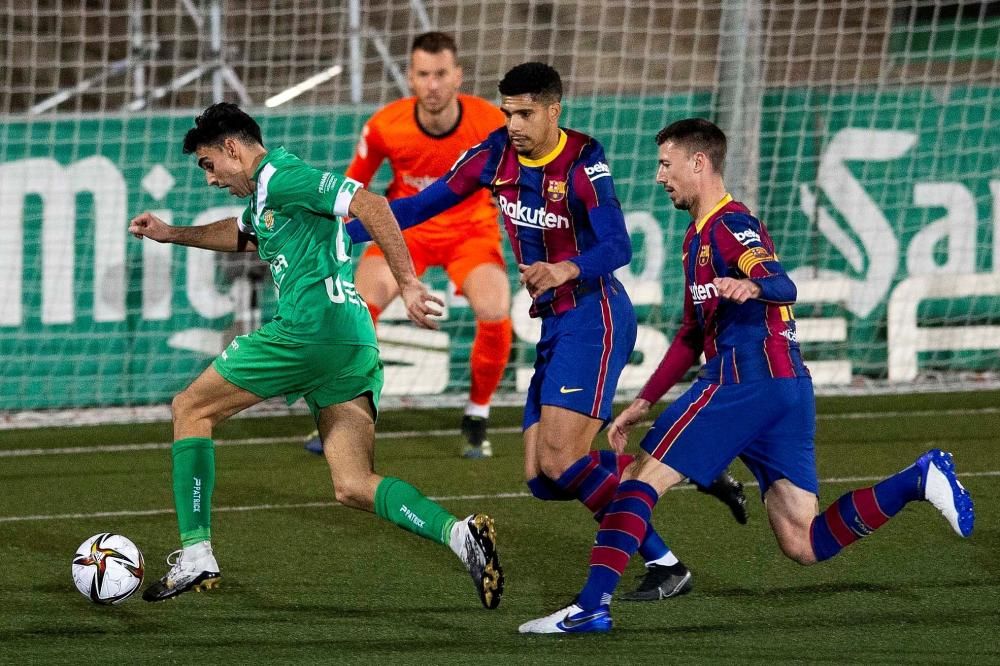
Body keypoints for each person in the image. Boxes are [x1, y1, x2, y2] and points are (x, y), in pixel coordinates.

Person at [517, 118, 976, 634]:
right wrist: (645, 401)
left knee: (636, 481)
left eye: (665, 164)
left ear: (699, 163)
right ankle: (917, 479)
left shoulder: (731, 225)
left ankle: (591, 608)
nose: (658, 176)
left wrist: (755, 288)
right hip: (784, 389)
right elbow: (691, 334)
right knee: (802, 541)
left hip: (744, 379)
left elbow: (782, 283)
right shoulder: (696, 239)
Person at [350, 63, 747, 601]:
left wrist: (566, 268)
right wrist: (340, 223)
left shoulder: (583, 161)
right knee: (543, 478)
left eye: (525, 113)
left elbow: (618, 247)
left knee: (563, 460)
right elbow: (421, 204)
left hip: (595, 315)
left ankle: (665, 563)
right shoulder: (494, 154)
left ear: (553, 111)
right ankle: (689, 466)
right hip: (557, 324)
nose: (512, 122)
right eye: (507, 111)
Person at [128, 102, 504, 609]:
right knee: (352, 484)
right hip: (350, 341)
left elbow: (373, 205)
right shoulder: (267, 194)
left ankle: (196, 554)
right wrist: (173, 233)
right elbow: (242, 233)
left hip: (309, 332)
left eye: (209, 165)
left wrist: (409, 282)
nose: (211, 180)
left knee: (190, 409)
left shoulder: (283, 176)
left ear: (232, 149)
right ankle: (461, 535)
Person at [303, 31, 511, 459]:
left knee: (495, 306)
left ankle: (477, 413)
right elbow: (351, 190)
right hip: (403, 232)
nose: (432, 84)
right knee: (353, 307)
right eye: (423, 75)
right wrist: (331, 239)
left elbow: (518, 182)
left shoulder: (491, 123)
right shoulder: (385, 125)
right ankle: (344, 411)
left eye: (440, 74)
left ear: (458, 76)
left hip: (469, 231)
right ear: (409, 78)